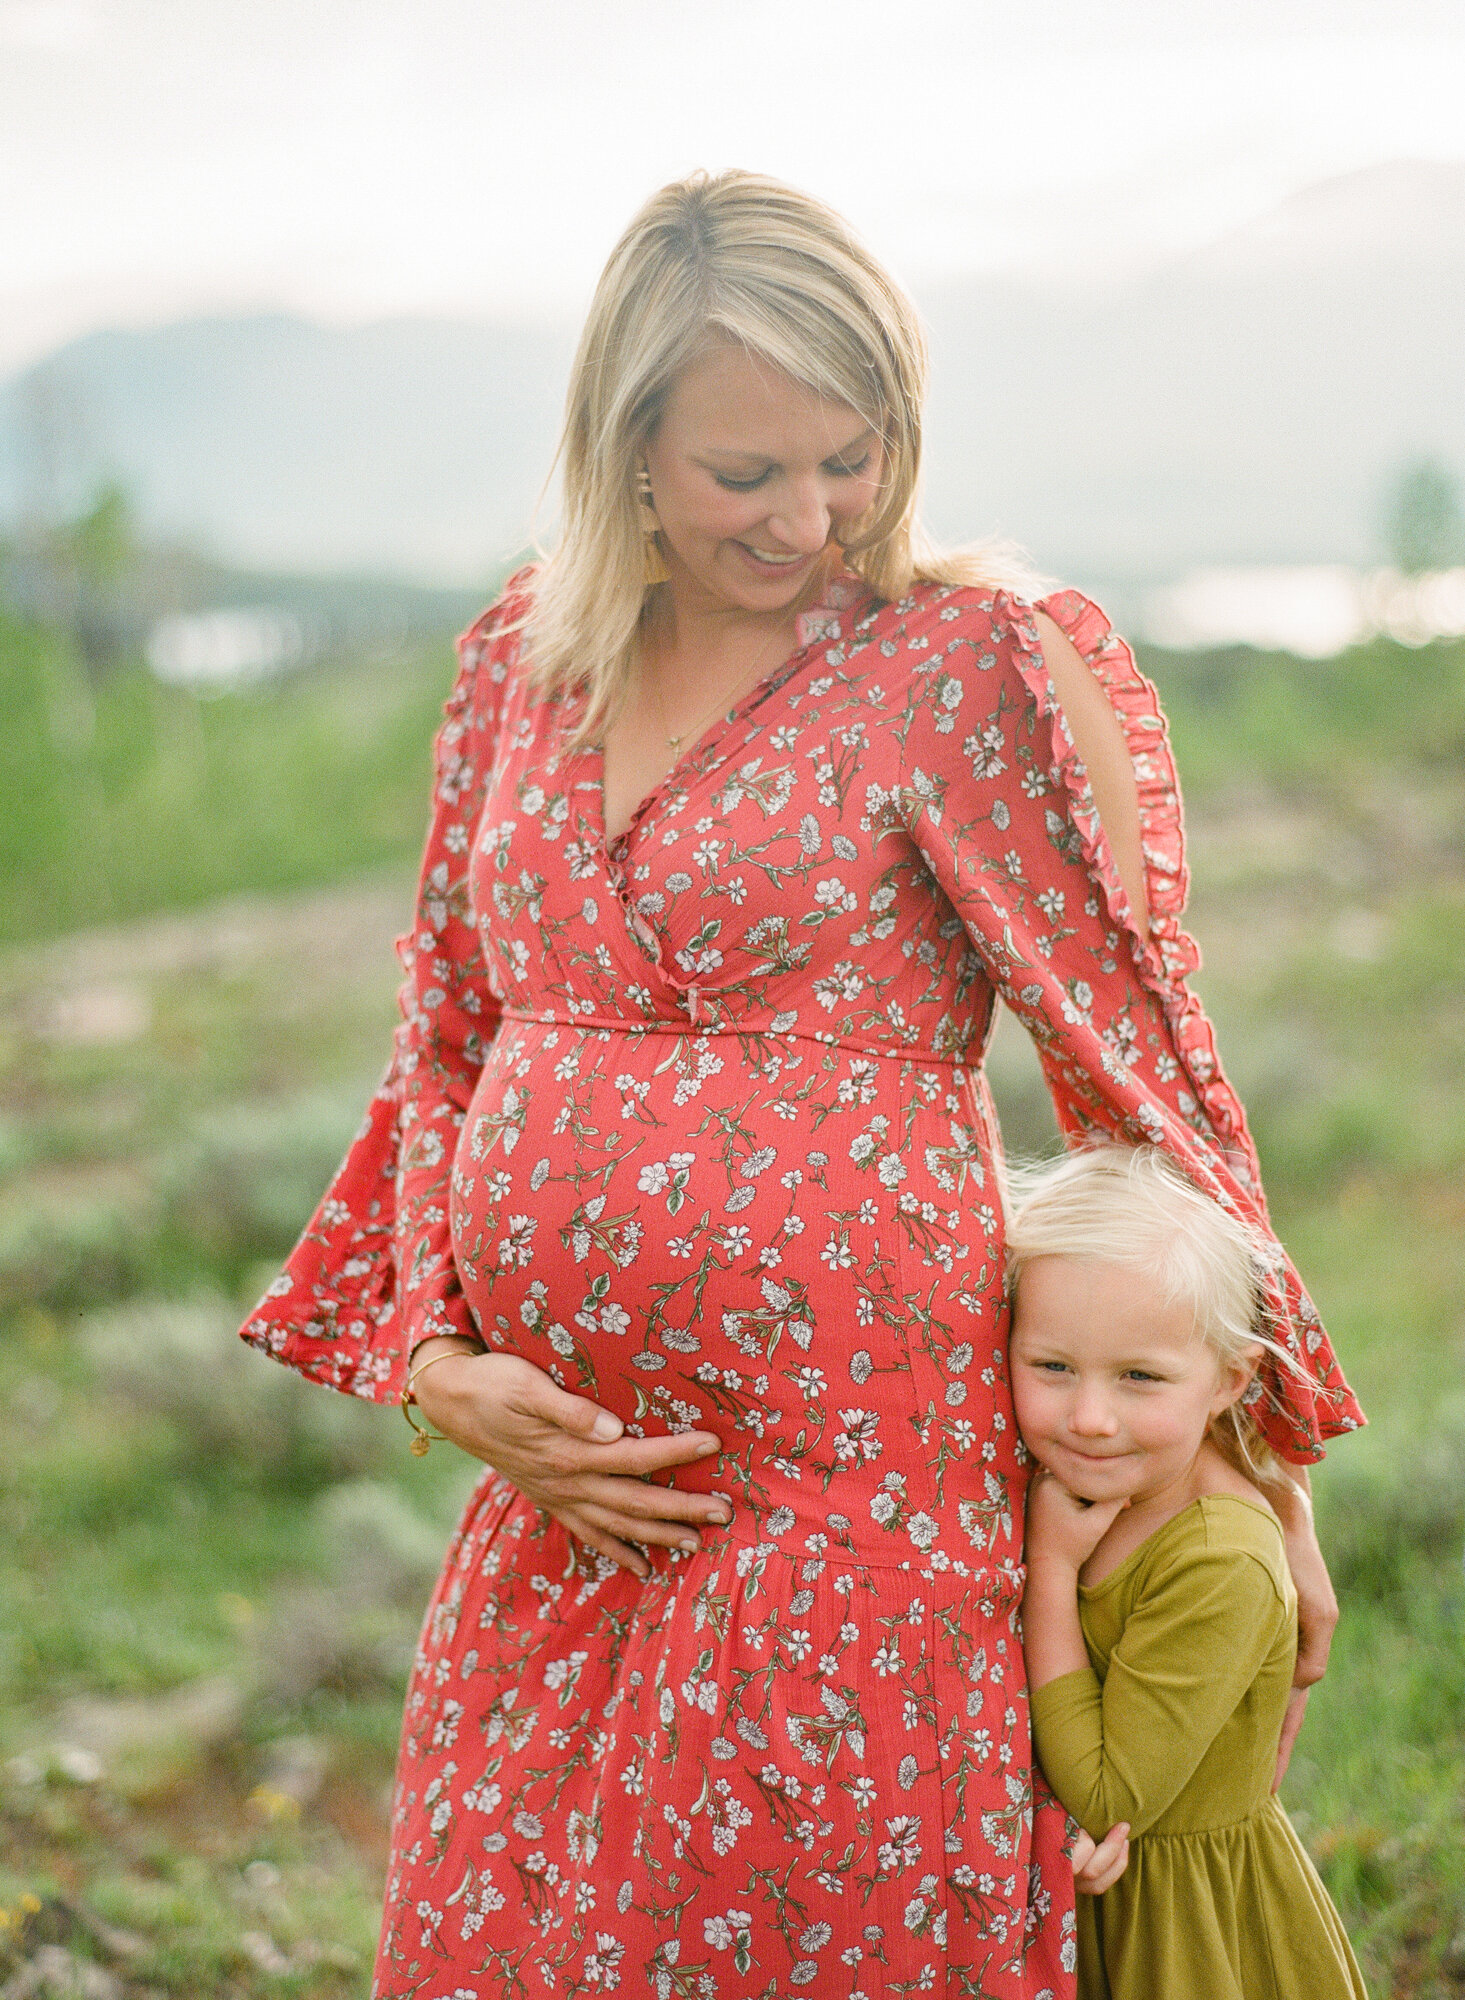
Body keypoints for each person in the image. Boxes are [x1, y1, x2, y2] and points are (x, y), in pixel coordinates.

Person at [240, 170, 1362, 1998]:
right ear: (626, 452)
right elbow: (446, 1036)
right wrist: (445, 1370)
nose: (813, 514)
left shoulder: (952, 663)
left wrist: (1266, 1451)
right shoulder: (520, 662)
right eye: (745, 473)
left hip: (853, 1511)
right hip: (565, 1510)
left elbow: (1132, 1063)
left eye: (852, 455)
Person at [1010, 1144, 1367, 1999]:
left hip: (1181, 1936)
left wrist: (1050, 1568)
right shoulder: (1055, 1473)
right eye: (1051, 1367)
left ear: (1227, 1380)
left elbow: (1101, 1794)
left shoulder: (1220, 1559)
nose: (1090, 1418)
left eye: (1140, 1378)